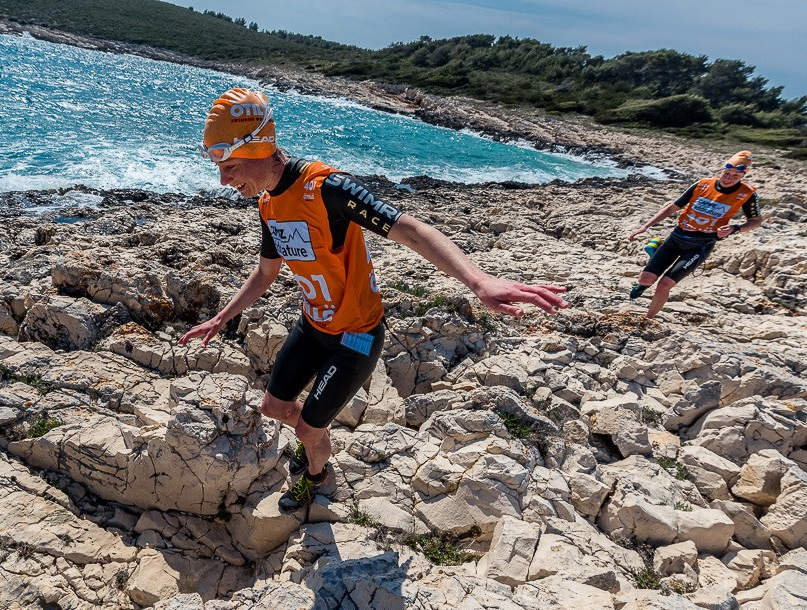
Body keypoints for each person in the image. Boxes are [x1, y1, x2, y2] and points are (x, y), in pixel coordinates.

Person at [179, 88, 569, 513]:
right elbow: (265, 273)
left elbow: (411, 230)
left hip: (356, 337)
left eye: (230, 166)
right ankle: (314, 435)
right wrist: (221, 317)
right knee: (274, 407)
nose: (223, 181)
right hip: (313, 326)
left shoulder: (326, 189)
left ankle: (316, 473)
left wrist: (478, 281)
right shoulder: (269, 204)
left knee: (307, 430)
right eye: (219, 168)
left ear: (260, 148)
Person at [627, 151, 762, 319]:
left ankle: (647, 319)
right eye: (726, 173)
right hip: (677, 237)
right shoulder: (703, 185)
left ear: (743, 175)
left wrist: (735, 228)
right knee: (645, 279)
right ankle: (652, 263)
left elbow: (756, 221)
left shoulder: (747, 194)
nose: (729, 178)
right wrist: (645, 226)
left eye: (735, 175)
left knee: (664, 284)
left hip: (700, 246)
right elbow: (672, 207)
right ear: (722, 170)